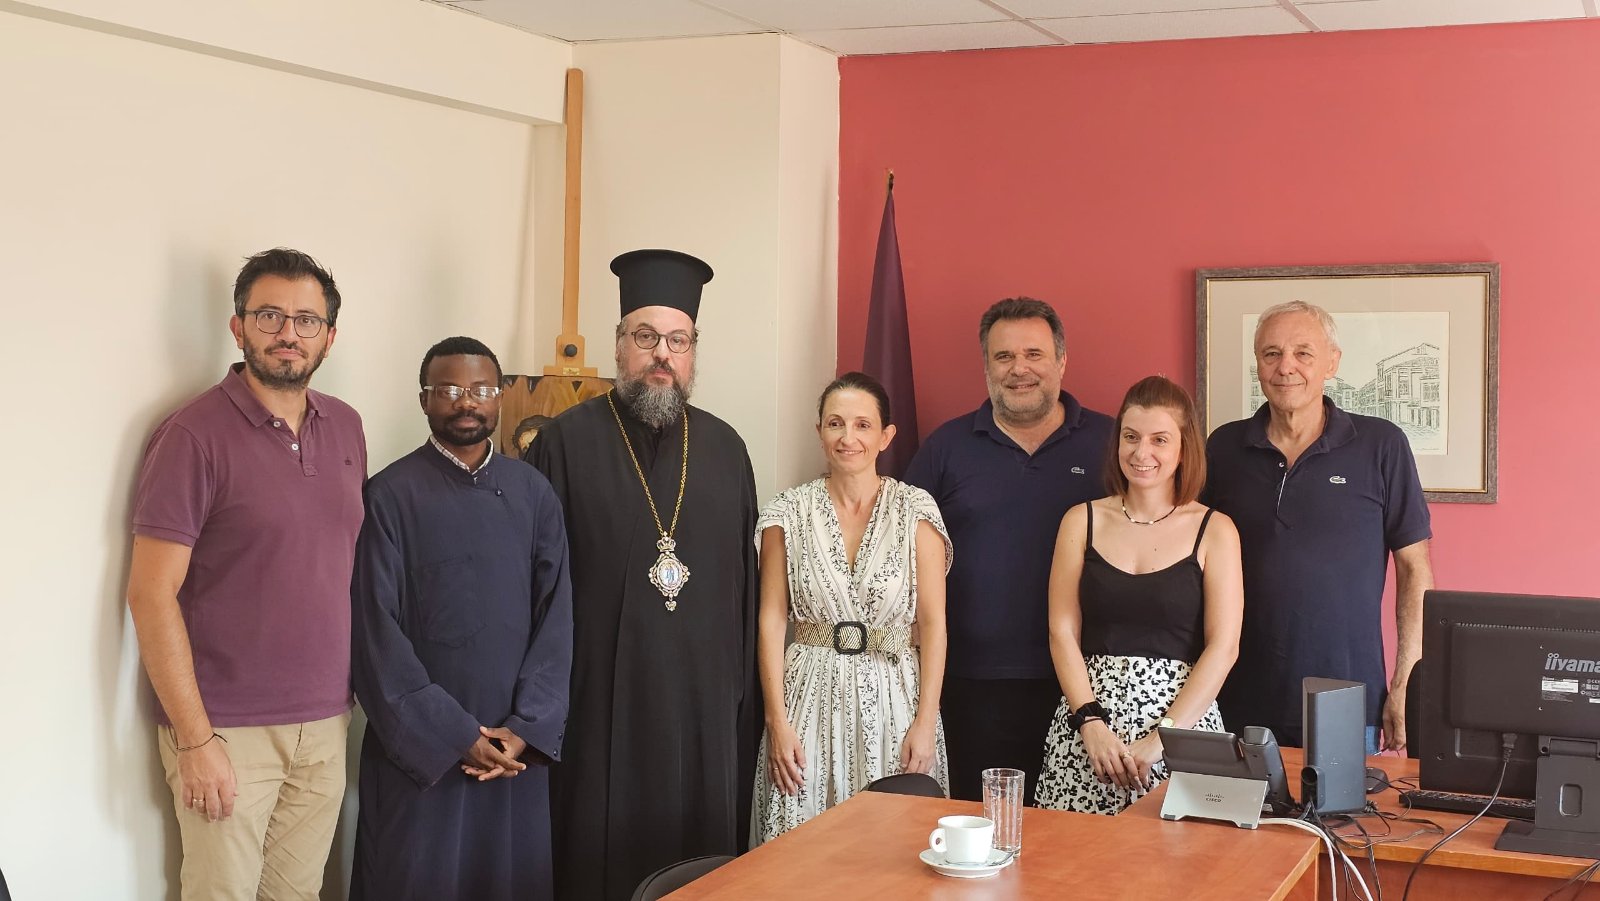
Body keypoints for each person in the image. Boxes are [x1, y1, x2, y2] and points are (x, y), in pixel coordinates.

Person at [126, 248, 364, 900]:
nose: (289, 333)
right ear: (239, 327)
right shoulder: (192, 435)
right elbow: (150, 594)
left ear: (329, 336)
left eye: (306, 320)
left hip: (325, 723)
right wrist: (196, 739)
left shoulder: (346, 425)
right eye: (269, 315)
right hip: (226, 730)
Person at [523, 249, 760, 901]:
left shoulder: (726, 449)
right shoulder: (563, 443)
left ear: (693, 350)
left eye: (678, 340)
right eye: (646, 337)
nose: (662, 355)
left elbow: (744, 596)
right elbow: (535, 588)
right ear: (620, 344)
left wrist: (739, 705)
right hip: (598, 700)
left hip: (701, 705)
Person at [350, 337, 572, 900]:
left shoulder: (533, 493)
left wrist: (525, 729)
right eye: (449, 390)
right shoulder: (389, 495)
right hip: (423, 756)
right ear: (424, 400)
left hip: (512, 753)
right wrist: (454, 734)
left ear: (500, 398)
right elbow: (374, 632)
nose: (467, 402)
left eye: (481, 390)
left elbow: (557, 619)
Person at [904, 297, 1114, 802]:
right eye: (1004, 357)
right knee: (983, 832)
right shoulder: (945, 448)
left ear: (1061, 361)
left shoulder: (1112, 444)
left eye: (1034, 354)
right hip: (970, 684)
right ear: (986, 366)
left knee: (1073, 839)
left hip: (1087, 685)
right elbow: (900, 557)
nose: (1019, 369)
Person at [1206, 300, 1435, 752]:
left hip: (1347, 696)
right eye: (1271, 354)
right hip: (1235, 693)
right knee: (1234, 802)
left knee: (1346, 803)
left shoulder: (1381, 445)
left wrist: (1406, 680)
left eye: (1303, 353)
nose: (1285, 367)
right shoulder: (1223, 448)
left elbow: (1415, 567)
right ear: (1258, 364)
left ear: (1332, 362)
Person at [752, 372, 953, 843]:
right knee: (798, 837)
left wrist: (926, 722)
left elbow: (934, 625)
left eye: (863, 425)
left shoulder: (916, 510)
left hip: (895, 696)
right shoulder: (786, 512)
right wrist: (777, 721)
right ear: (819, 431)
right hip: (807, 694)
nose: (848, 437)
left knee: (894, 840)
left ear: (886, 436)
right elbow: (771, 621)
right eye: (835, 423)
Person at [1034, 376, 1243, 813]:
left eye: (1159, 439)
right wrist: (1090, 723)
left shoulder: (1215, 530)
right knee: (1073, 856)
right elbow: (1061, 632)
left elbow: (1223, 647)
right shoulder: (1081, 520)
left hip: (1183, 734)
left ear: (1184, 448)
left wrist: (1162, 738)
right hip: (1088, 737)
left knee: (1186, 857)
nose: (1141, 452)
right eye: (1130, 437)